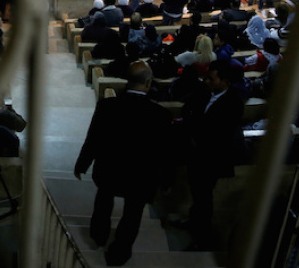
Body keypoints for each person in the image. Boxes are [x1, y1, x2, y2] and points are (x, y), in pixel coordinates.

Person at [74, 61, 173, 266]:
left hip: (110, 170)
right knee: (132, 215)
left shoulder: (107, 106)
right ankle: (119, 252)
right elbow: (164, 152)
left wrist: (82, 164)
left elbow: (93, 139)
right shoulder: (161, 115)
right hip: (140, 176)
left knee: (103, 202)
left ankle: (99, 235)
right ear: (148, 83)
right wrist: (166, 180)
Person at [177, 60, 245, 249]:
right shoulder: (204, 92)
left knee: (204, 197)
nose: (205, 81)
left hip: (213, 158)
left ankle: (202, 236)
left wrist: (196, 127)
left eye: (211, 78)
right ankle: (193, 221)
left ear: (224, 81)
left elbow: (218, 132)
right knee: (197, 193)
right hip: (196, 153)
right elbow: (188, 108)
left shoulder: (234, 103)